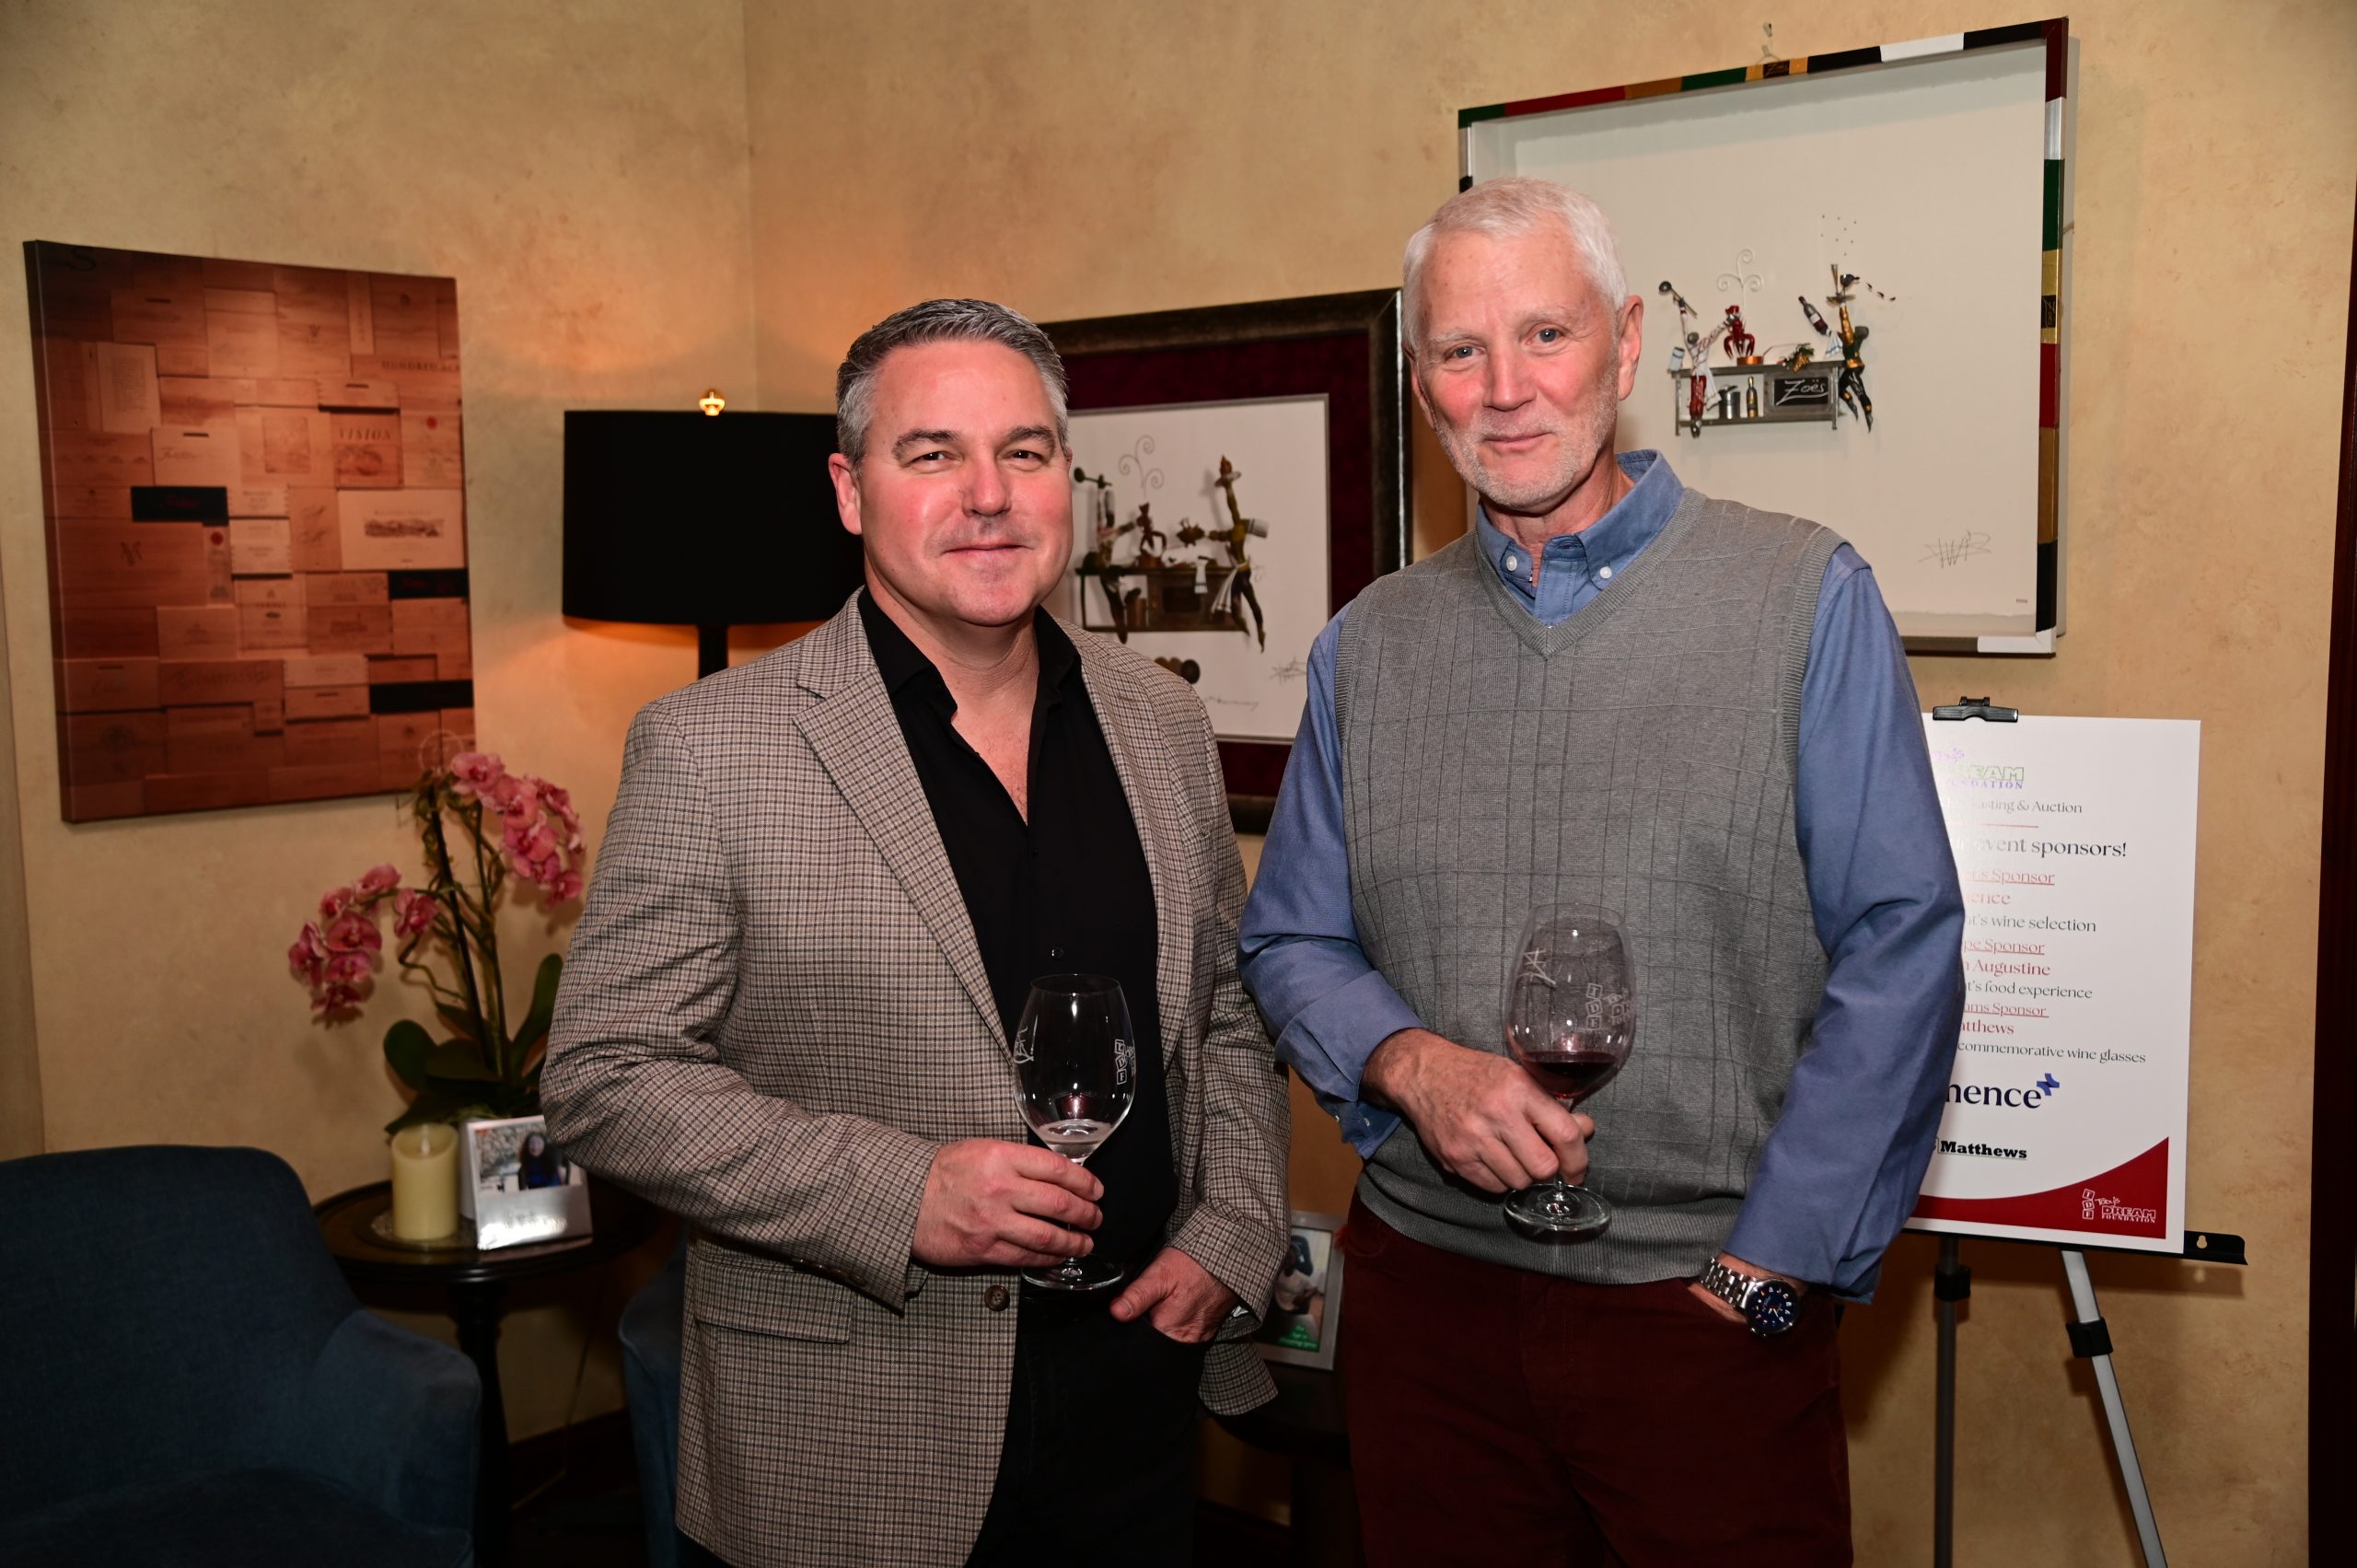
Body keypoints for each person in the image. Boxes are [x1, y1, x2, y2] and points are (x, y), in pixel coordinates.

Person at [1239, 177, 1965, 1566]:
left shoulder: (1803, 599)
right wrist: (1408, 1063)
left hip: (1702, 1316)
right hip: (1428, 1317)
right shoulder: (1366, 648)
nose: (1506, 389)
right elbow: (1292, 941)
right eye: (1461, 350)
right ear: (1423, 385)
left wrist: (1772, 1275)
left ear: (1626, 345)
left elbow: (1903, 944)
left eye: (1545, 335)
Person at [543, 298, 1291, 1568]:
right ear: (850, 491)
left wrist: (1235, 1229)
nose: (988, 495)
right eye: (933, 454)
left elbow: (1226, 1006)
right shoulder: (713, 747)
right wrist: (903, 1195)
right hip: (854, 1432)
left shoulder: (1161, 722)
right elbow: (603, 1077)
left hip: (1136, 1396)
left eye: (1024, 452)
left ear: (1066, 478)